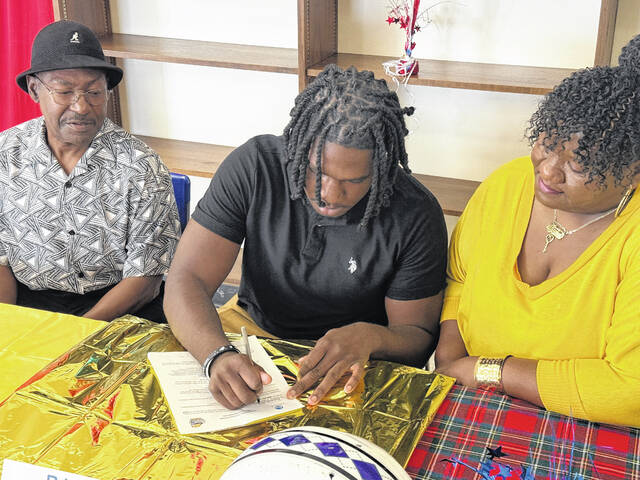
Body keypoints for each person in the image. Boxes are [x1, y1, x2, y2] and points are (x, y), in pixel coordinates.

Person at [165, 65, 447, 410]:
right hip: (251, 330)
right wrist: (216, 354)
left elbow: (417, 337)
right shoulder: (254, 166)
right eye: (317, 171)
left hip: (354, 358)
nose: (329, 193)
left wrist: (370, 335)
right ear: (299, 146)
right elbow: (186, 278)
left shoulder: (415, 213)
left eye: (354, 181)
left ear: (382, 169)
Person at [434, 34, 640, 427]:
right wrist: (449, 359)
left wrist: (487, 370)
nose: (547, 170)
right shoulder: (507, 183)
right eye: (548, 143)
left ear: (633, 174)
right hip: (467, 398)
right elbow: (458, 279)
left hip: (578, 425)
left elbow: (632, 390)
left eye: (579, 166)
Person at [0, 20, 181, 322]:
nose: (81, 107)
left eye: (94, 92)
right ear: (34, 89)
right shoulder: (6, 155)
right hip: (29, 303)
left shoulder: (141, 166)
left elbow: (146, 281)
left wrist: (77, 333)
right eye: (64, 91)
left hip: (121, 307)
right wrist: (8, 326)